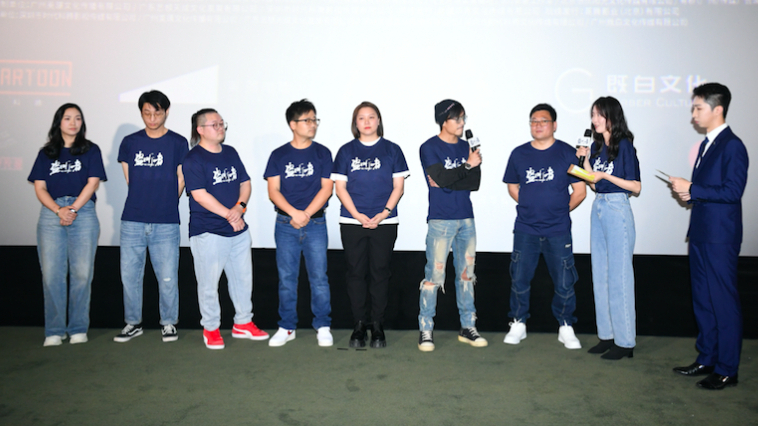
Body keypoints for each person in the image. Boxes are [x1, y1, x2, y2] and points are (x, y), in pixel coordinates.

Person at [669, 83, 748, 390]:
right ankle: (707, 358)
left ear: (718, 109)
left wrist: (693, 188)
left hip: (720, 236)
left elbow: (732, 192)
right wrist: (690, 194)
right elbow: (710, 191)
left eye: (698, 108)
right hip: (701, 233)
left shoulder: (733, 145)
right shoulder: (706, 145)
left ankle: (727, 368)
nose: (694, 114)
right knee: (703, 299)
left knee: (723, 301)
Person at [502, 103, 586, 350]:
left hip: (558, 230)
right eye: (534, 121)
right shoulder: (519, 154)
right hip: (526, 229)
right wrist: (529, 205)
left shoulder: (568, 153)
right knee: (519, 278)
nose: (538, 125)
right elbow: (512, 186)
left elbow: (580, 191)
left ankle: (565, 326)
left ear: (554, 125)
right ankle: (518, 323)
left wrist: (558, 210)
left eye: (543, 121)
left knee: (564, 281)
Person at [183, 108, 269, 349]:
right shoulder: (193, 159)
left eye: (222, 124)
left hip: (238, 229)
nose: (220, 128)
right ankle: (211, 328)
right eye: (215, 124)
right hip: (209, 231)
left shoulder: (230, 152)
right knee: (209, 284)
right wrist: (230, 215)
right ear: (200, 130)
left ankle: (243, 322)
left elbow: (245, 183)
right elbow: (199, 195)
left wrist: (239, 208)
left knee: (243, 279)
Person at [332, 101, 409, 348]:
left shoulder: (392, 150)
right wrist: (357, 214)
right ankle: (358, 326)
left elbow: (398, 187)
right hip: (351, 221)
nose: (367, 122)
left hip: (385, 222)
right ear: (355, 123)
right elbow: (340, 188)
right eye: (361, 118)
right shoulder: (345, 151)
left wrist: (384, 213)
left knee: (380, 273)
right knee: (355, 273)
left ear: (379, 121)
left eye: (371, 117)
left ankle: (377, 326)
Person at [28, 103, 107, 346]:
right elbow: (40, 187)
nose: (73, 123)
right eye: (67, 118)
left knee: (82, 274)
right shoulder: (46, 153)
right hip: (51, 214)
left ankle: (77, 328)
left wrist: (72, 209)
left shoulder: (91, 150)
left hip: (83, 212)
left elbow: (93, 183)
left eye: (78, 118)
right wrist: (58, 210)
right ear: (58, 122)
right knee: (52, 275)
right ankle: (54, 330)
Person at [114, 90, 189, 343]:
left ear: (166, 112)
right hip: (132, 219)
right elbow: (129, 178)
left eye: (157, 113)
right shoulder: (130, 142)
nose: (152, 118)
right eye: (147, 113)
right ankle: (132, 322)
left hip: (166, 220)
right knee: (130, 276)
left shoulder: (178, 142)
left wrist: (167, 200)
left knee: (167, 276)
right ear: (141, 113)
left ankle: (168, 323)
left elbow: (181, 177)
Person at [264, 99, 334, 347]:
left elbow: (327, 189)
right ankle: (286, 326)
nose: (313, 124)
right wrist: (294, 213)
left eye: (315, 119)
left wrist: (305, 214)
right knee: (287, 278)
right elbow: (273, 191)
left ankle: (323, 325)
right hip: (285, 224)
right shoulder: (279, 155)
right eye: (307, 120)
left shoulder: (323, 153)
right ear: (293, 124)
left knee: (319, 278)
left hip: (316, 224)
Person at [418, 99, 485, 352]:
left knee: (467, 274)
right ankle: (426, 329)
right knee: (434, 276)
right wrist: (465, 167)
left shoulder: (468, 146)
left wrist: (450, 179)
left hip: (466, 218)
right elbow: (442, 178)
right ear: (443, 121)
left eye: (463, 118)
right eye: (456, 118)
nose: (462, 123)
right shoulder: (429, 147)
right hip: (440, 219)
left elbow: (473, 183)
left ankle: (468, 326)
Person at [577, 97, 641, 360]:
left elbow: (635, 187)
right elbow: (594, 184)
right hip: (599, 207)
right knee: (600, 274)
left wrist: (605, 176)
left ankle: (625, 342)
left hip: (617, 208)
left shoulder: (624, 145)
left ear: (612, 116)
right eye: (593, 114)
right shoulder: (596, 146)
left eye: (599, 114)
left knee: (619, 276)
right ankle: (607, 336)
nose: (594, 119)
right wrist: (584, 162)